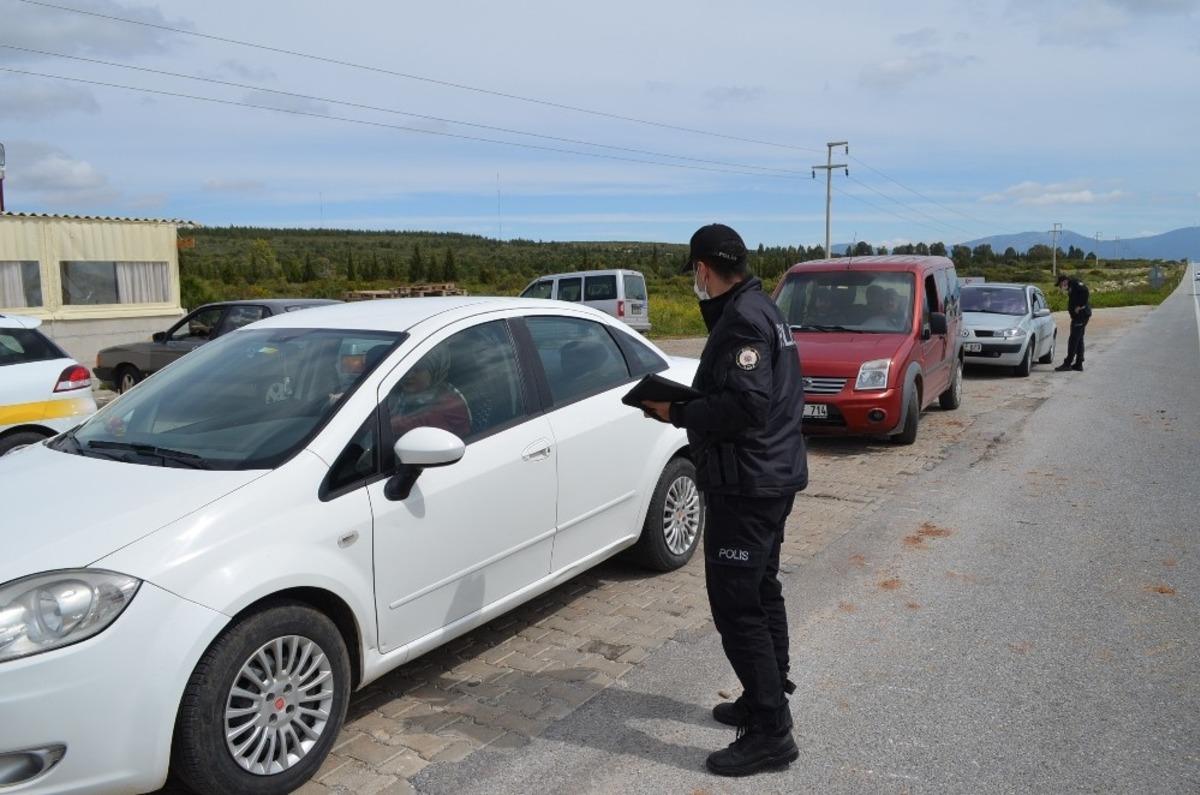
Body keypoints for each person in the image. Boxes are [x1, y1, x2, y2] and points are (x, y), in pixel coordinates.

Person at [641, 223, 808, 777]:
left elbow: (747, 406)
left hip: (748, 485)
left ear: (704, 270)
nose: (695, 281)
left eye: (695, 272)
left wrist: (678, 412)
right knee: (761, 590)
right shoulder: (763, 308)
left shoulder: (741, 320)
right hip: (770, 476)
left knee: (736, 606)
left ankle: (770, 731)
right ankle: (767, 692)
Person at [387, 347, 471, 439]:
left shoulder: (449, 403)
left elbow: (407, 426)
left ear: (434, 370)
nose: (408, 375)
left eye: (417, 370)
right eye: (405, 369)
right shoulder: (395, 393)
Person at [1054, 274, 1091, 372]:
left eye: (1061, 285)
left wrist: (1080, 306)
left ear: (1065, 281)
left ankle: (1067, 363)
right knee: (1079, 339)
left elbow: (1085, 291)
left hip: (1081, 316)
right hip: (1079, 317)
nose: (1061, 287)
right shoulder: (1071, 286)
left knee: (1073, 340)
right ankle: (1079, 363)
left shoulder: (1075, 283)